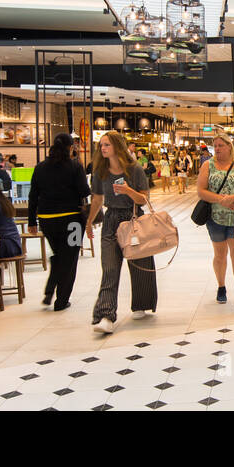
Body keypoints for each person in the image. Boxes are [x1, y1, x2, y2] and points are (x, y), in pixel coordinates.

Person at [86, 131, 156, 334]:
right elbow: (97, 199)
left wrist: (128, 191)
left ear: (117, 146)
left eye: (106, 145)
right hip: (111, 221)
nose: (103, 148)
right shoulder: (100, 171)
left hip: (132, 218)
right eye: (102, 145)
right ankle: (105, 315)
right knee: (109, 268)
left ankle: (141, 303)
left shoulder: (134, 170)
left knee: (140, 264)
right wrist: (89, 221)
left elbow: (144, 199)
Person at [28, 132, 91, 311]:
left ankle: (50, 290)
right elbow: (84, 191)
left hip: (47, 221)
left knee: (59, 255)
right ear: (70, 147)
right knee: (69, 259)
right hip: (72, 221)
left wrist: (32, 221)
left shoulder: (40, 167)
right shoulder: (75, 167)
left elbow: (33, 196)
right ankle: (61, 300)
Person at [196, 131, 234, 313]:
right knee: (219, 255)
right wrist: (221, 200)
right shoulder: (208, 165)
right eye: (215, 146)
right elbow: (201, 191)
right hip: (215, 218)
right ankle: (221, 286)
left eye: (221, 145)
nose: (217, 149)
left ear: (229, 146)